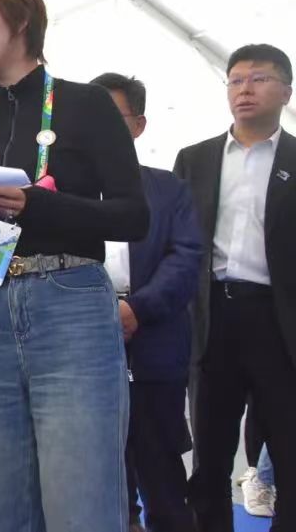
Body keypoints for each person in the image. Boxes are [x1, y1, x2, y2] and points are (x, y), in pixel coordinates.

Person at [0, 0, 149, 531]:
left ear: (21, 21)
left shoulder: (86, 104)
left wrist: (37, 205)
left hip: (72, 307)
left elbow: (133, 216)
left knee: (81, 501)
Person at [174, 43, 296, 532]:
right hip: (213, 319)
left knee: (288, 449)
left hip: (279, 322)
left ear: (286, 91)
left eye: (259, 79)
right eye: (236, 80)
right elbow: (177, 241)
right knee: (209, 455)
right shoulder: (195, 159)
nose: (245, 90)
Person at [93, 73, 202, 532]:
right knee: (98, 471)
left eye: (111, 117)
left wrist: (137, 309)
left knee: (161, 467)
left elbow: (186, 256)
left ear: (138, 126)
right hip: (81, 342)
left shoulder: (168, 189)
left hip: (154, 341)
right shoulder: (57, 190)